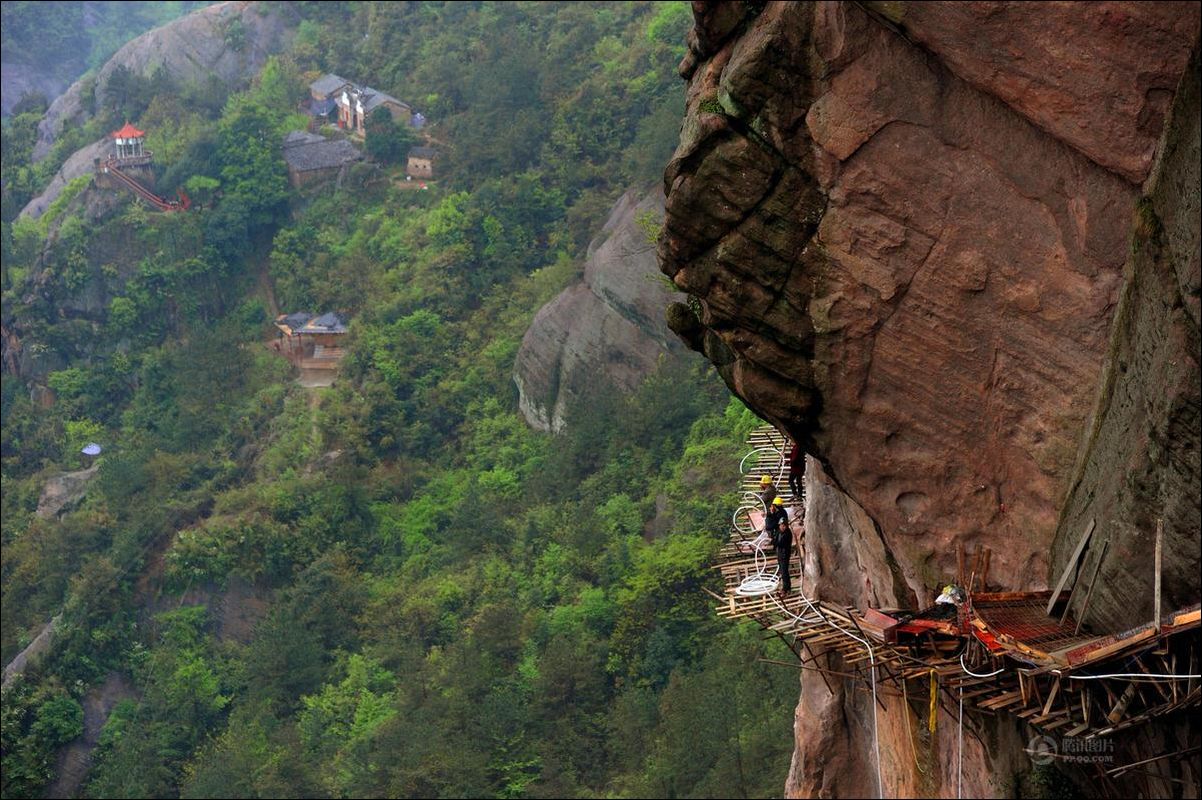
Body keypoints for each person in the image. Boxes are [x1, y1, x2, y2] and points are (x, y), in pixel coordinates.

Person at [765, 495, 793, 596]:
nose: (782, 527)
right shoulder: (781, 531)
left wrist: (773, 542)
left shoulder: (786, 533)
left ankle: (786, 589)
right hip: (781, 554)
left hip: (784, 554)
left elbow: (780, 543)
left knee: (784, 572)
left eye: (784, 526)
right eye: (781, 526)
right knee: (782, 571)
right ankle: (785, 588)